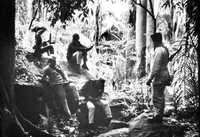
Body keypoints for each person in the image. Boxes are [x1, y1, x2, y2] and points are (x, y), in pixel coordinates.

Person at [146, 32, 172, 122]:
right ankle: (159, 115)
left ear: (155, 41)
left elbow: (155, 67)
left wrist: (149, 79)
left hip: (159, 76)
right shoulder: (165, 49)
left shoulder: (158, 50)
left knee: (156, 96)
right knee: (160, 95)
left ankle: (157, 116)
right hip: (165, 74)